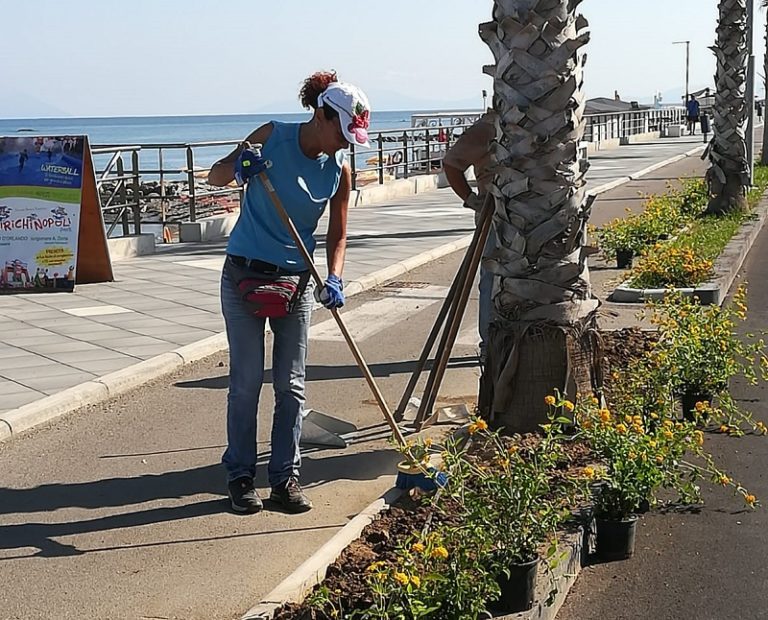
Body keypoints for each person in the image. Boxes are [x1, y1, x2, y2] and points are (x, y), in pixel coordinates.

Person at [208, 72, 370, 515]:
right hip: (244, 275)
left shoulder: (340, 170)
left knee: (292, 387)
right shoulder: (271, 138)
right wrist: (241, 167)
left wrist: (334, 278)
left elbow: (338, 233)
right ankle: (241, 477)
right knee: (245, 384)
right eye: (343, 132)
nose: (346, 143)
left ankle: (284, 478)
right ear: (321, 116)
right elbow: (214, 176)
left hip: (296, 282)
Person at [441, 109, 497, 363]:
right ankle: (489, 345)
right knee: (491, 280)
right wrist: (471, 199)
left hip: (529, 213)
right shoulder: (486, 128)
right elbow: (451, 163)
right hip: (493, 216)